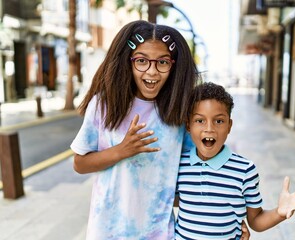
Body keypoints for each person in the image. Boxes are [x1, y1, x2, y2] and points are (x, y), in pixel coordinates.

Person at [70, 20, 250, 240]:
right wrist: (121, 150)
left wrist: (226, 219)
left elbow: (202, 172)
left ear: (173, 65)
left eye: (162, 62)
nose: (152, 72)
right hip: (108, 230)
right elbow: (80, 163)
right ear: (128, 61)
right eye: (142, 61)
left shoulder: (179, 112)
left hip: (159, 232)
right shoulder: (104, 105)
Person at [175, 82, 295, 239]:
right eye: (200, 120)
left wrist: (279, 212)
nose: (209, 128)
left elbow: (255, 220)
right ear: (188, 125)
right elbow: (173, 201)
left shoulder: (244, 170)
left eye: (219, 121)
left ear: (229, 125)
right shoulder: (179, 164)